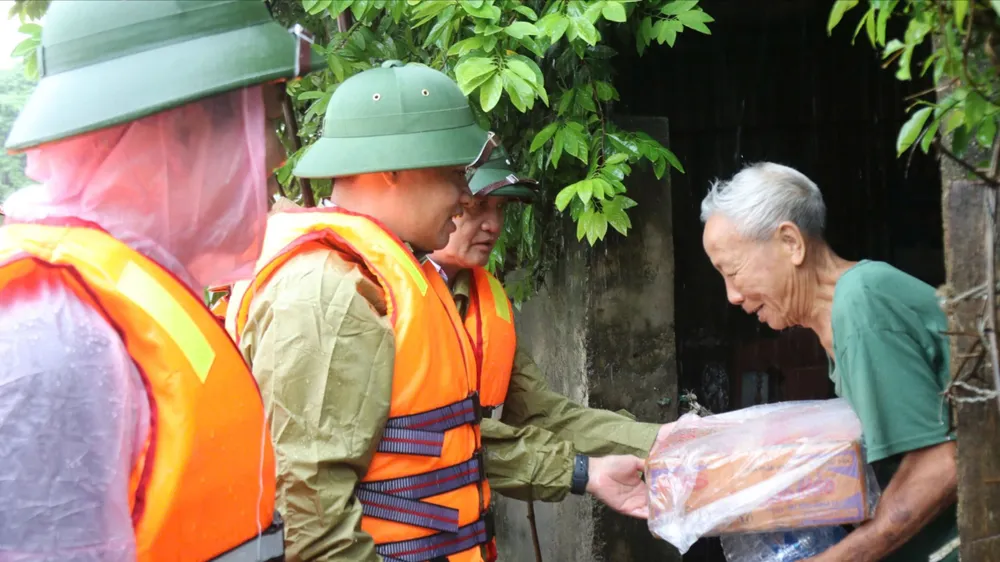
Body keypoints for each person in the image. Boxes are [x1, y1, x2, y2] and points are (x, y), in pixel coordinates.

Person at [227, 62, 652, 562]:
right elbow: (310, 516)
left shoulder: (395, 276)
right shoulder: (328, 290)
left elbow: (438, 444)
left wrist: (593, 469)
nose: (466, 199)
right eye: (455, 175)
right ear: (391, 169)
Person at [0, 1, 325, 560]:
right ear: (184, 129)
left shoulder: (122, 295)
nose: (275, 155)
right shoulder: (58, 339)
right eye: (266, 122)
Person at [699, 162, 958, 562]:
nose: (731, 295)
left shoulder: (862, 304)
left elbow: (942, 463)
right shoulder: (841, 318)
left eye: (732, 271)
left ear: (790, 243)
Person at [426, 149, 670, 509]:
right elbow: (437, 439)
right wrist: (581, 471)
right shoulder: (389, 294)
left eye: (501, 209)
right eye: (478, 206)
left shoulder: (483, 298)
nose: (493, 225)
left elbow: (542, 414)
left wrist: (665, 441)